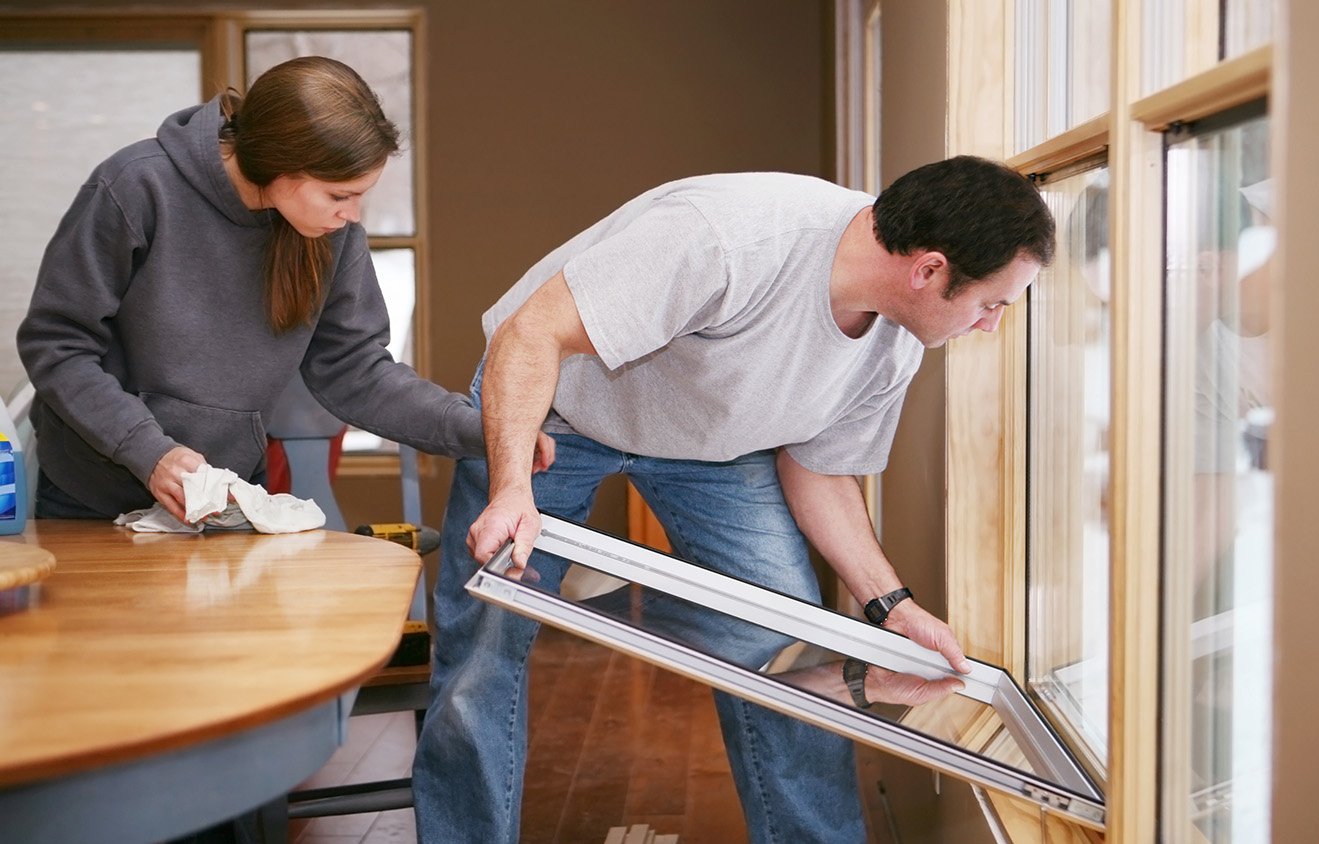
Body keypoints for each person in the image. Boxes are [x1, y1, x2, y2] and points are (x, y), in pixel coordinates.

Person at [413, 155, 1055, 842]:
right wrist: (512, 486)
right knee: (484, 641)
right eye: (991, 305)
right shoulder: (729, 239)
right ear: (928, 270)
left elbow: (821, 471)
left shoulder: (894, 347)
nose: (990, 326)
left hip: (718, 447)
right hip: (557, 409)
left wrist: (890, 606)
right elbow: (530, 332)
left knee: (786, 642)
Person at [17, 56, 484, 523]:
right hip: (92, 495)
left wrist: (484, 430)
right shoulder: (137, 187)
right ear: (278, 163)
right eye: (339, 195)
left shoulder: (330, 235)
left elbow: (355, 369)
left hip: (225, 499)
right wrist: (147, 451)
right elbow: (57, 346)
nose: (353, 215)